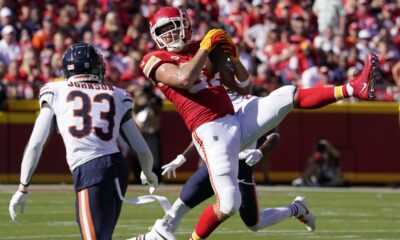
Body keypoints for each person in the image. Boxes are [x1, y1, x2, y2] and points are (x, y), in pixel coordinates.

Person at [139, 7, 379, 240]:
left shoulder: (204, 50)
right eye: (164, 31)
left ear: (186, 26)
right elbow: (184, 79)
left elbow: (243, 88)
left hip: (236, 116)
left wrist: (231, 57)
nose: (169, 34)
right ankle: (168, 228)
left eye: (173, 27)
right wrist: (204, 49)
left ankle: (353, 88)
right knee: (230, 205)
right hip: (210, 129)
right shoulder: (154, 59)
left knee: (285, 95)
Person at [8, 43, 158, 239]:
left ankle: (153, 238)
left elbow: (36, 143)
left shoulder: (56, 89)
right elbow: (143, 150)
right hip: (117, 167)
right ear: (99, 67)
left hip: (91, 168)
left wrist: (23, 187)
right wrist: (148, 172)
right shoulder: (117, 94)